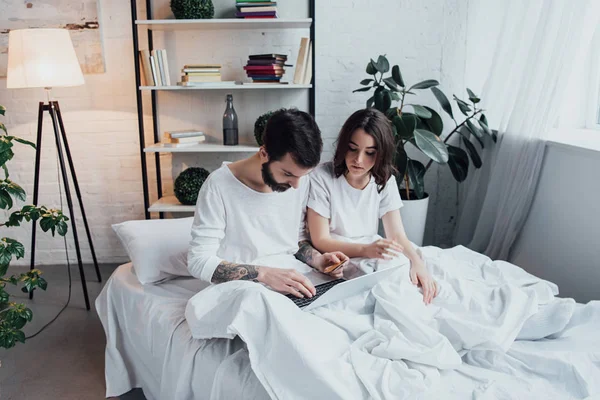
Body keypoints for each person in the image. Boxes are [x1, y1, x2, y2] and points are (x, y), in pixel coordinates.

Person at [187, 108, 347, 299]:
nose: (296, 185)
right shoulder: (218, 186)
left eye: (302, 176)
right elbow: (198, 261)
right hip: (242, 289)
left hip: (294, 279)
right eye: (287, 174)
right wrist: (265, 274)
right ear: (264, 153)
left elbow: (295, 239)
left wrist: (318, 260)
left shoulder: (299, 181)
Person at [306, 108, 438, 304]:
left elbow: (397, 236)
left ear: (381, 154)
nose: (358, 160)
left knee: (407, 278)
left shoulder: (384, 181)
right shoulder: (322, 177)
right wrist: (366, 250)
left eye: (370, 153)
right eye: (352, 148)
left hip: (371, 250)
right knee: (387, 290)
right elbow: (320, 240)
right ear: (343, 145)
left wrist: (417, 262)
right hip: (340, 254)